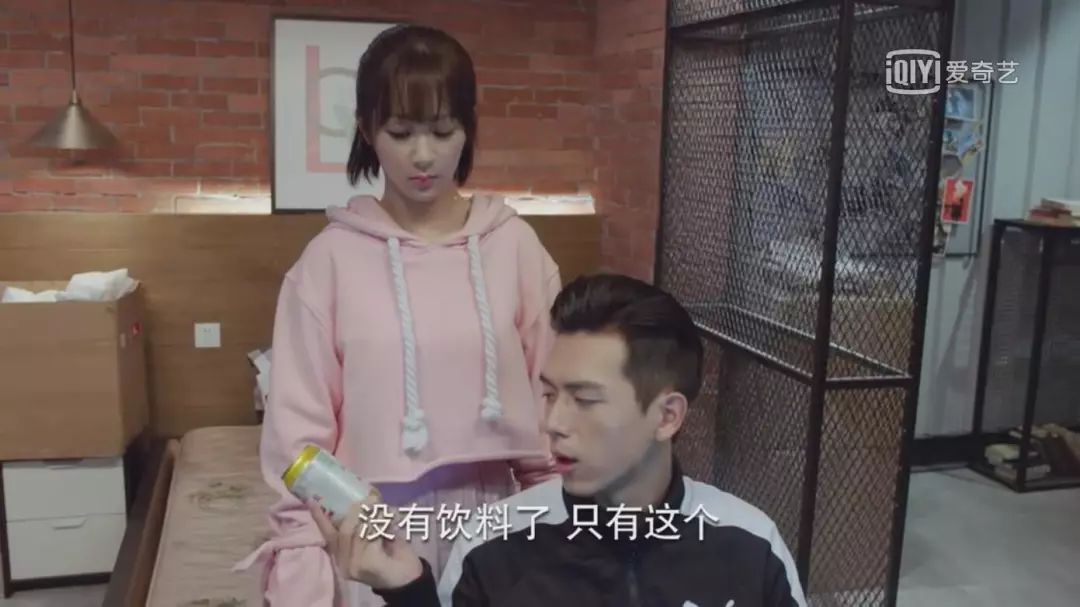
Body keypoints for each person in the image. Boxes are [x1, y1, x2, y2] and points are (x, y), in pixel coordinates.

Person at [237, 24, 560, 606]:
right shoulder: (328, 261)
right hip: (371, 528)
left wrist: (562, 518)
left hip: (497, 519)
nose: (423, 155)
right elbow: (297, 438)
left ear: (468, 129)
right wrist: (303, 553)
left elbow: (553, 401)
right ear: (366, 129)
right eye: (401, 132)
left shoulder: (515, 247)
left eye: (443, 130)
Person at [312, 274, 809, 607]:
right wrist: (409, 593)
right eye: (549, 394)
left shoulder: (749, 544)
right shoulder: (493, 543)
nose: (553, 422)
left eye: (585, 399)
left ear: (667, 416)